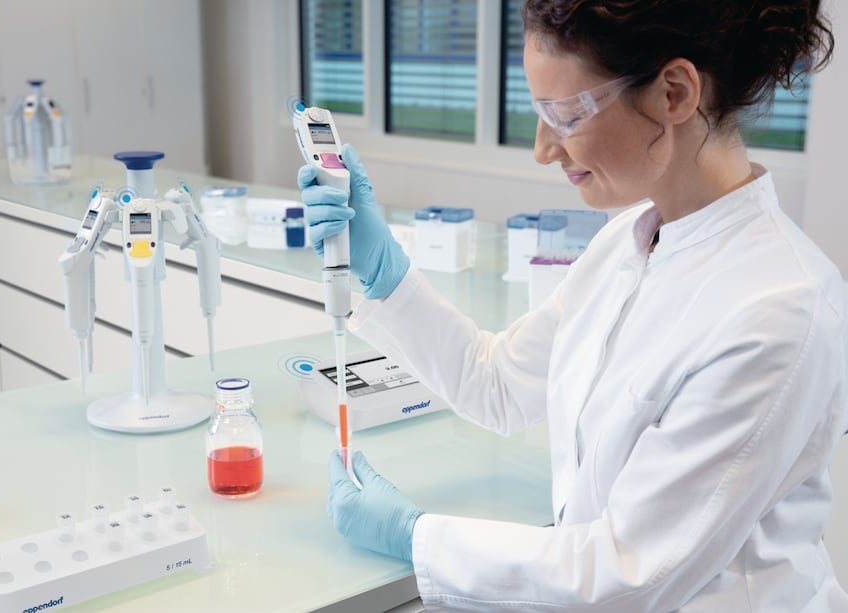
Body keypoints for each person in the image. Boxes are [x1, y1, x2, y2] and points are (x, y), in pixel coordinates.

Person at [298, 1, 847, 610]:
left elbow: (628, 575)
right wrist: (386, 276)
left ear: (673, 93)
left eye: (563, 115)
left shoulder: (780, 310)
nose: (542, 149)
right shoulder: (627, 241)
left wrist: (416, 536)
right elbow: (500, 385)